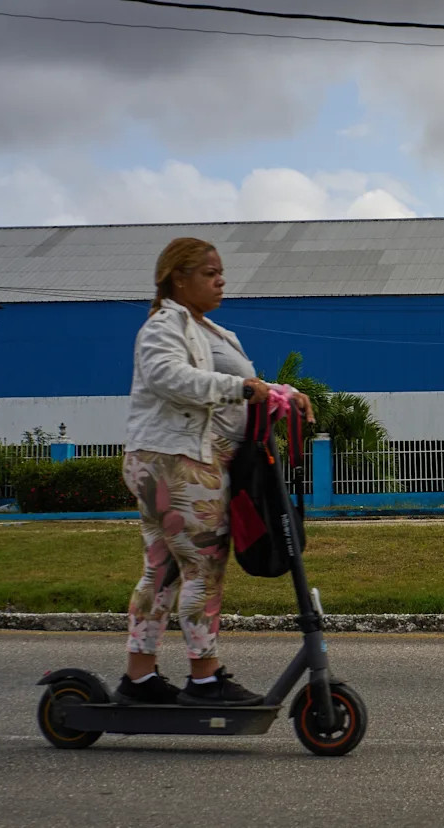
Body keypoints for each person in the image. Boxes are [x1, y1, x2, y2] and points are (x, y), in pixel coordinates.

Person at [114, 237, 315, 706]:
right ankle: (204, 679)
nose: (220, 280)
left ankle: (138, 678)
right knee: (203, 568)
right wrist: (241, 389)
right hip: (176, 461)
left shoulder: (213, 332)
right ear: (177, 279)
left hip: (179, 461)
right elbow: (170, 378)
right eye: (209, 273)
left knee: (162, 571)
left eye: (220, 272)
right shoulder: (164, 326)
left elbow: (244, 386)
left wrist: (280, 393)